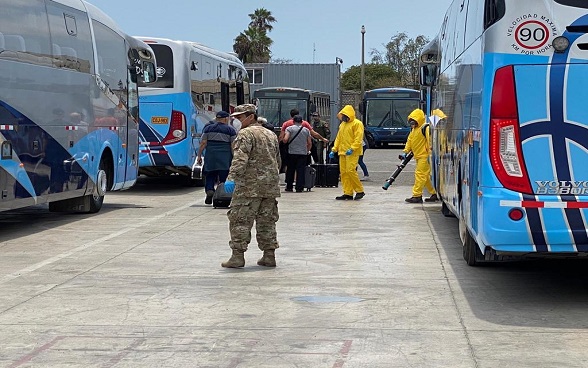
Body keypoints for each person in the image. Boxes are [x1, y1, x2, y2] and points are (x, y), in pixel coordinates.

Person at [221, 104, 281, 268]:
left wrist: (231, 177)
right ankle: (269, 255)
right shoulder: (270, 134)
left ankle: (237, 257)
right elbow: (278, 160)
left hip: (249, 186)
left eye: (240, 118)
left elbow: (240, 158)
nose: (238, 121)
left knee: (239, 220)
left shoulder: (245, 134)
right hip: (269, 186)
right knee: (267, 221)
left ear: (250, 116)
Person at [196, 111, 237, 204]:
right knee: (224, 177)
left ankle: (210, 190)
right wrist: (235, 157)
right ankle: (223, 195)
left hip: (211, 156)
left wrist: (199, 155)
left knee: (210, 175)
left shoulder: (208, 128)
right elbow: (233, 145)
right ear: (226, 119)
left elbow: (203, 143)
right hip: (225, 157)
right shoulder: (230, 130)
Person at [401, 108, 438, 203]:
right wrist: (405, 151)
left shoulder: (425, 127)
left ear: (419, 120)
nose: (412, 124)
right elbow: (410, 141)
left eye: (414, 122)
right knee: (424, 177)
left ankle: (417, 195)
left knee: (420, 175)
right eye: (411, 122)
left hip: (424, 156)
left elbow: (430, 141)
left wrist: (430, 152)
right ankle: (433, 193)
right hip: (419, 156)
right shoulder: (414, 130)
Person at [329, 105, 365, 200]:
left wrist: (352, 148)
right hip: (342, 152)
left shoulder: (357, 124)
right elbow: (338, 138)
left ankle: (359, 190)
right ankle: (348, 192)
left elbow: (358, 138)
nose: (343, 117)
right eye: (342, 115)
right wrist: (334, 149)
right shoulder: (342, 125)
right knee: (344, 173)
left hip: (352, 152)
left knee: (351, 171)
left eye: (345, 115)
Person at [283, 115, 312, 192]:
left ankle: (289, 186)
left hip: (291, 153)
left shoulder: (289, 129)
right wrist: (307, 150)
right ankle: (299, 187)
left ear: (293, 121)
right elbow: (309, 143)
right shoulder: (306, 130)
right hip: (302, 153)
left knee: (290, 169)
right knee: (301, 170)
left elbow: (285, 139)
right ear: (301, 122)